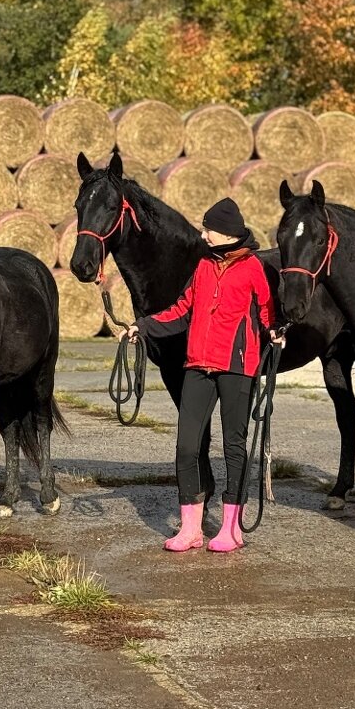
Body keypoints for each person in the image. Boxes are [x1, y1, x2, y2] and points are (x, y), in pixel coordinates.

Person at [123, 197, 281, 553]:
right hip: (197, 365)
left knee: (233, 446)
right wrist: (142, 327)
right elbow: (182, 310)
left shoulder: (253, 267)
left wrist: (275, 331)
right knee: (186, 446)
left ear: (224, 233)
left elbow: (268, 311)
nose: (202, 233)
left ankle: (230, 528)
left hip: (237, 367)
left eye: (207, 228)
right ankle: (192, 528)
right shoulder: (203, 266)